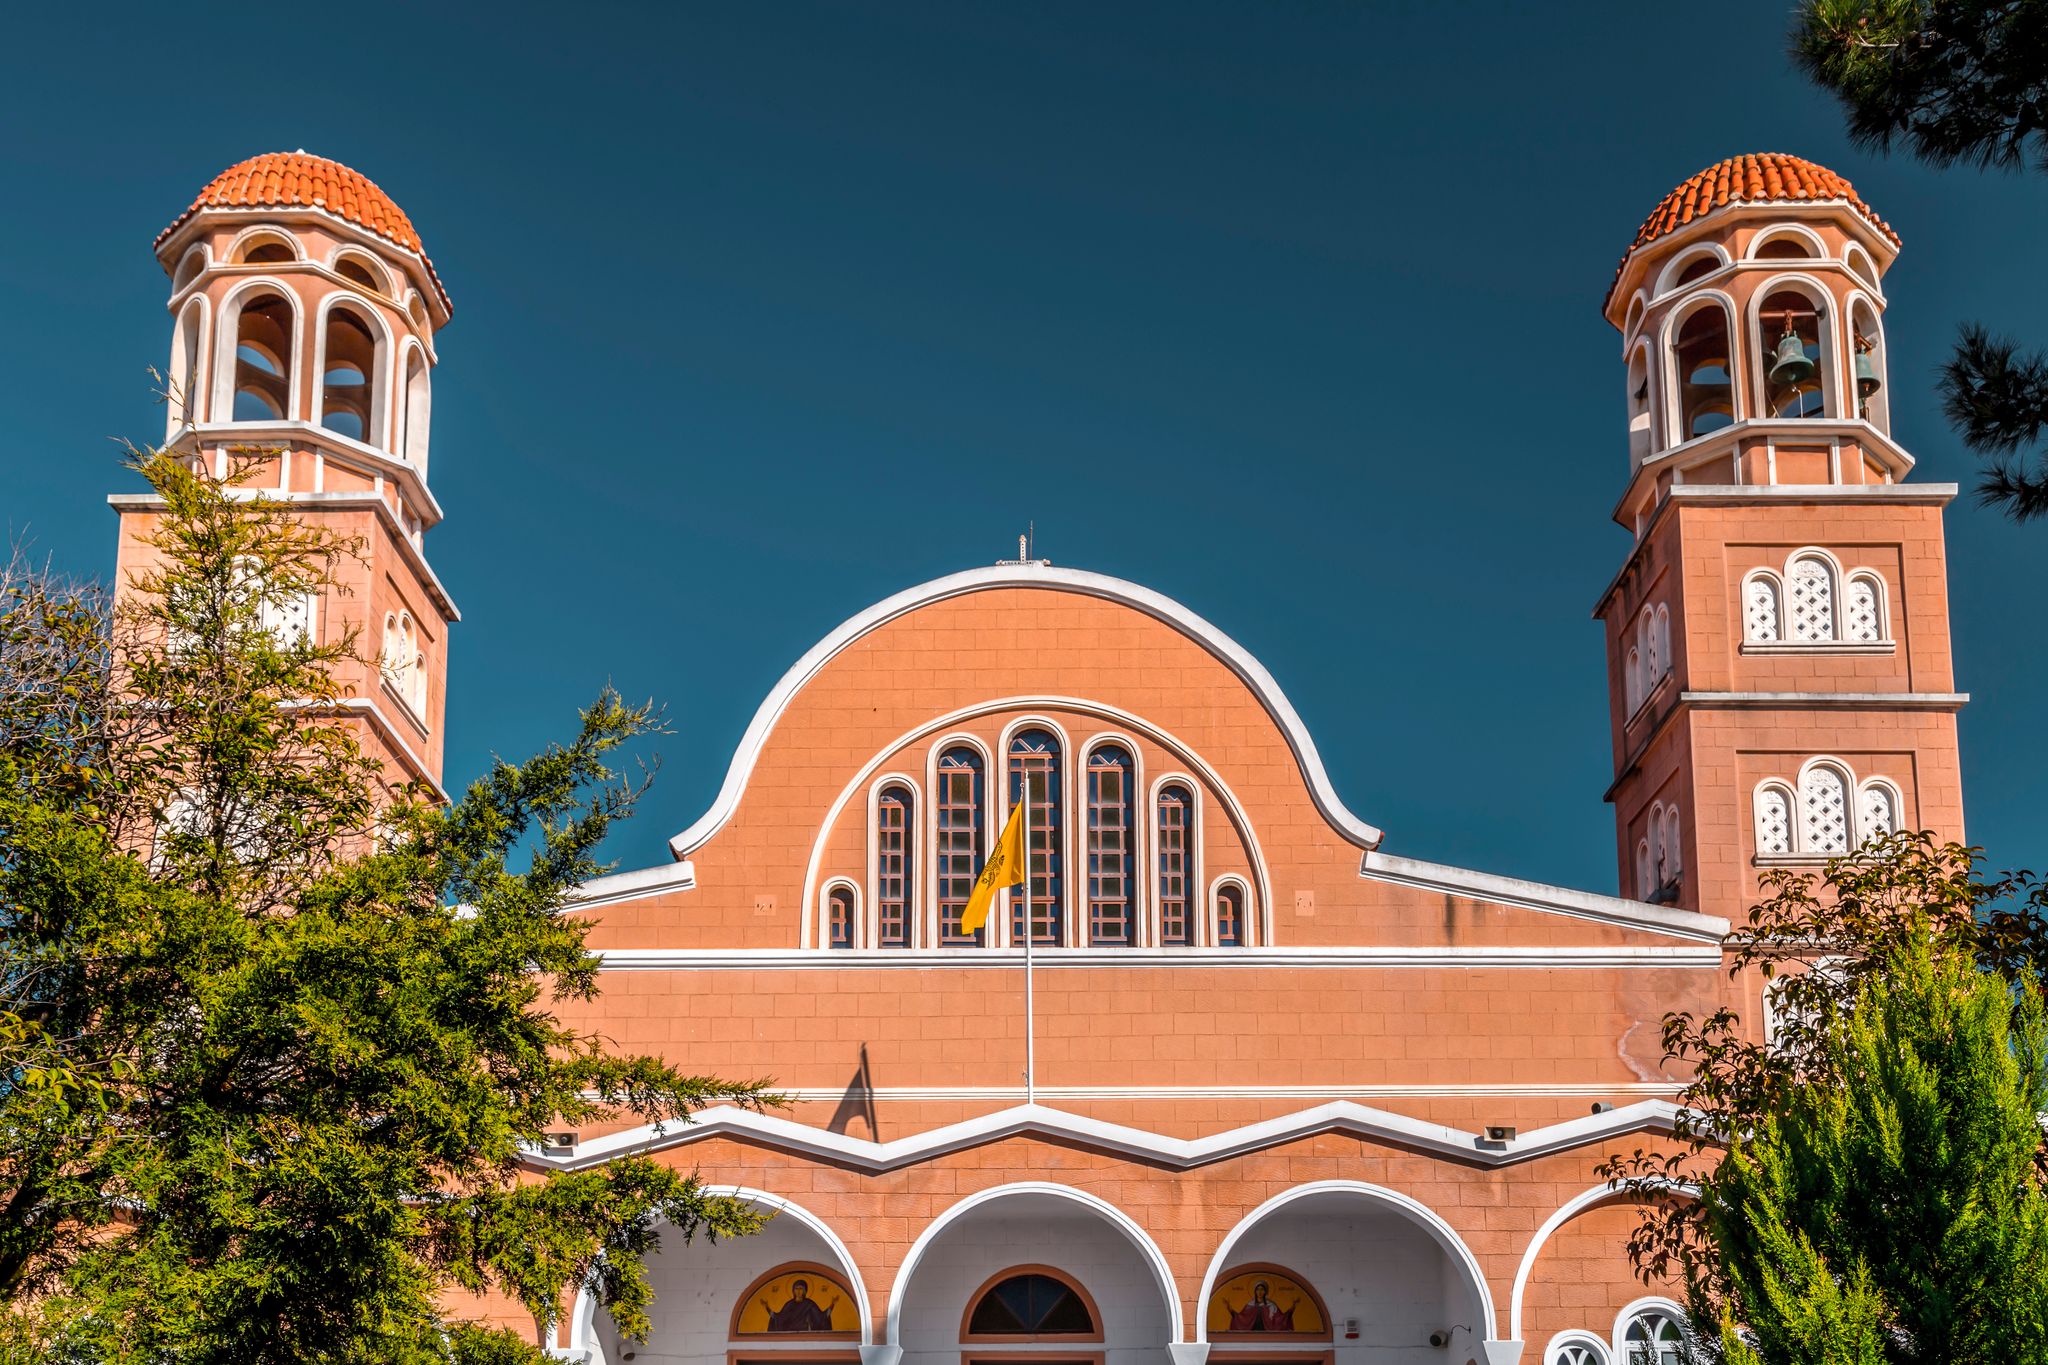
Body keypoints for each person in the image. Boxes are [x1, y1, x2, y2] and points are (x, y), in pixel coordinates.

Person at [766, 1278, 841, 1332]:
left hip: (806, 1331)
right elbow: (779, 1318)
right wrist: (767, 1307)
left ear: (805, 1291)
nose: (798, 1291)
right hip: (791, 1333)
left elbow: (821, 1317)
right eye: (796, 1289)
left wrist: (832, 1304)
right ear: (793, 1291)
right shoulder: (789, 1304)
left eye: (801, 1289)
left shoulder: (809, 1304)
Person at [1226, 1280, 1296, 1332]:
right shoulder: (1250, 1305)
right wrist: (1231, 1310)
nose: (1259, 1292)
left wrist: (1291, 1309)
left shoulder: (1271, 1305)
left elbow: (1280, 1319)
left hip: (1268, 1336)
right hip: (1252, 1335)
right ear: (1255, 1292)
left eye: (1262, 1289)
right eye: (1257, 1289)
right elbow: (1242, 1318)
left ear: (1265, 1291)